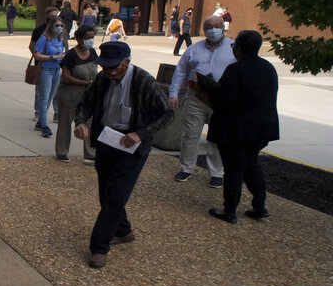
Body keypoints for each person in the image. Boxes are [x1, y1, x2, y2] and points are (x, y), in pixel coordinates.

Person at [74, 42, 174, 268]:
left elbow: (167, 113)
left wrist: (141, 134)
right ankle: (124, 230)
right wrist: (81, 122)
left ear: (126, 62)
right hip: (107, 141)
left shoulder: (143, 81)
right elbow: (84, 104)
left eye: (113, 67)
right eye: (105, 67)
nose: (108, 72)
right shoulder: (102, 80)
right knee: (107, 194)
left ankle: (99, 248)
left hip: (132, 147)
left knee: (115, 197)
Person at [206, 31, 279, 223]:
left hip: (237, 129)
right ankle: (259, 205)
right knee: (251, 163)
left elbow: (224, 100)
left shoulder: (235, 70)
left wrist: (209, 91)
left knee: (234, 168)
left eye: (234, 46)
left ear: (239, 48)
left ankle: (229, 210)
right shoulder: (269, 68)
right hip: (262, 128)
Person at [168, 15, 236, 187]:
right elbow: (181, 71)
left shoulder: (233, 48)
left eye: (217, 26)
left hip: (220, 99)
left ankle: (216, 173)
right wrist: (173, 93)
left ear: (223, 27)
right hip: (196, 97)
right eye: (209, 26)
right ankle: (186, 168)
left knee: (216, 137)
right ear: (204, 29)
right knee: (190, 134)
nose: (213, 29)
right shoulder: (194, 49)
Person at [55, 24, 98, 163]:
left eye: (92, 37)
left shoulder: (93, 53)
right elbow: (65, 77)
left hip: (88, 96)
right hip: (70, 95)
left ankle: (90, 153)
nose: (90, 40)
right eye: (87, 38)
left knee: (90, 123)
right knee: (65, 124)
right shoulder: (71, 55)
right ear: (79, 38)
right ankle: (62, 151)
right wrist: (85, 83)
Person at [32, 15, 67, 138]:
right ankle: (44, 126)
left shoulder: (60, 39)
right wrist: (53, 57)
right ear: (51, 26)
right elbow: (37, 55)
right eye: (56, 25)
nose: (59, 28)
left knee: (51, 96)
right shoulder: (44, 38)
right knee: (44, 98)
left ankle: (41, 121)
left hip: (56, 70)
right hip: (45, 70)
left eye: (61, 26)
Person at [30, 6, 61, 123]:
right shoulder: (40, 33)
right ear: (47, 18)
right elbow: (33, 47)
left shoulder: (61, 33)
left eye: (57, 17)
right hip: (43, 67)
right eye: (52, 18)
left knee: (55, 92)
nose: (57, 24)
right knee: (42, 94)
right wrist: (43, 58)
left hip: (56, 67)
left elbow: (64, 48)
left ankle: (56, 112)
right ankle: (40, 117)